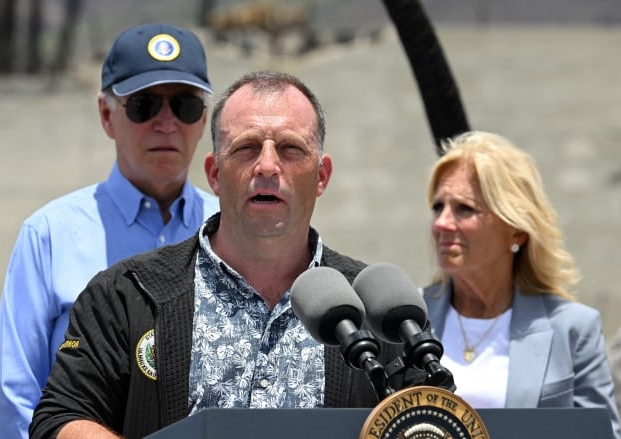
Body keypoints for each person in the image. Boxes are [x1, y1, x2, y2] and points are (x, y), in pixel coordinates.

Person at [29, 71, 417, 439]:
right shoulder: (126, 294)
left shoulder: (376, 311)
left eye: (290, 148)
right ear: (214, 174)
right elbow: (62, 417)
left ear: (321, 176)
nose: (267, 166)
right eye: (247, 148)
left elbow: (430, 419)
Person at [0, 23, 219, 438]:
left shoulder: (235, 229)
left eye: (184, 105)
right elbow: (15, 406)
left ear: (203, 120)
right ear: (106, 115)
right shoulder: (49, 236)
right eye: (143, 105)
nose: (166, 124)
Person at [421, 131, 621, 439]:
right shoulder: (404, 319)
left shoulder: (572, 329)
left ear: (516, 231)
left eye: (464, 208)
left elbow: (601, 435)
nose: (441, 223)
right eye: (438, 207)